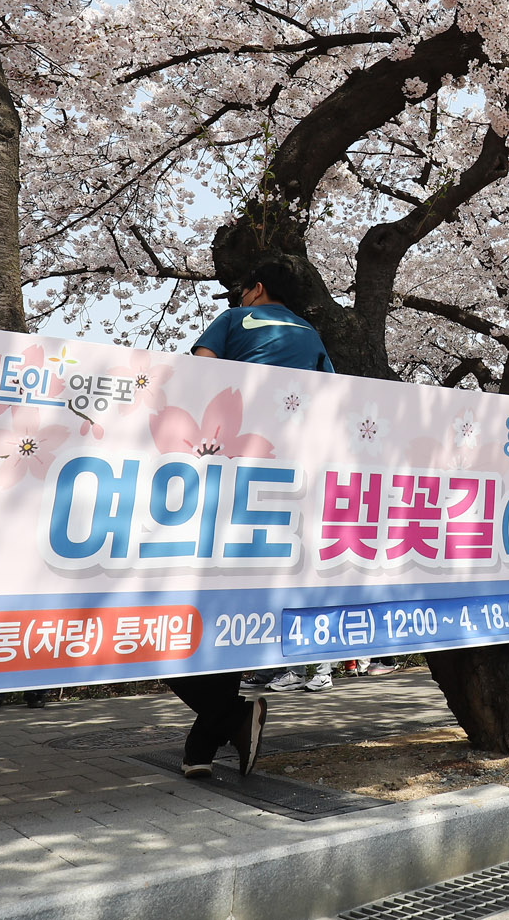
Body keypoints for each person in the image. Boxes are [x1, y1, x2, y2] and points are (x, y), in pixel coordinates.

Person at [169, 259, 335, 779]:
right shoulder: (312, 336)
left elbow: (201, 374)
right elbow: (331, 398)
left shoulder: (234, 320)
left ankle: (224, 721)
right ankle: (210, 739)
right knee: (229, 601)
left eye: (241, 289)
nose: (238, 297)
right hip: (278, 483)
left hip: (220, 468)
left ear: (255, 287)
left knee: (178, 617)